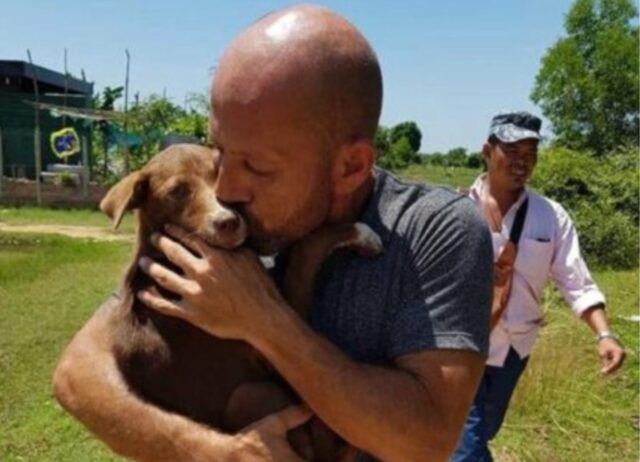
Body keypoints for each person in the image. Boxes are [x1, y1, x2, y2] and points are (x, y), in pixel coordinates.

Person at [53, 5, 494, 461]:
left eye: (257, 167)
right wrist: (215, 452)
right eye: (220, 154)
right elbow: (76, 376)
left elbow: (425, 442)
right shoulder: (219, 230)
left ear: (350, 166)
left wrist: (262, 319)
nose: (225, 190)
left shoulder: (434, 229)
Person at [450, 111, 626, 461]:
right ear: (487, 150)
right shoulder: (455, 210)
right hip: (459, 347)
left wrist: (604, 334)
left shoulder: (551, 216)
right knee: (465, 449)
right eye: (513, 152)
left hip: (514, 351)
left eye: (530, 155)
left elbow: (576, 280)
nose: (522, 163)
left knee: (481, 432)